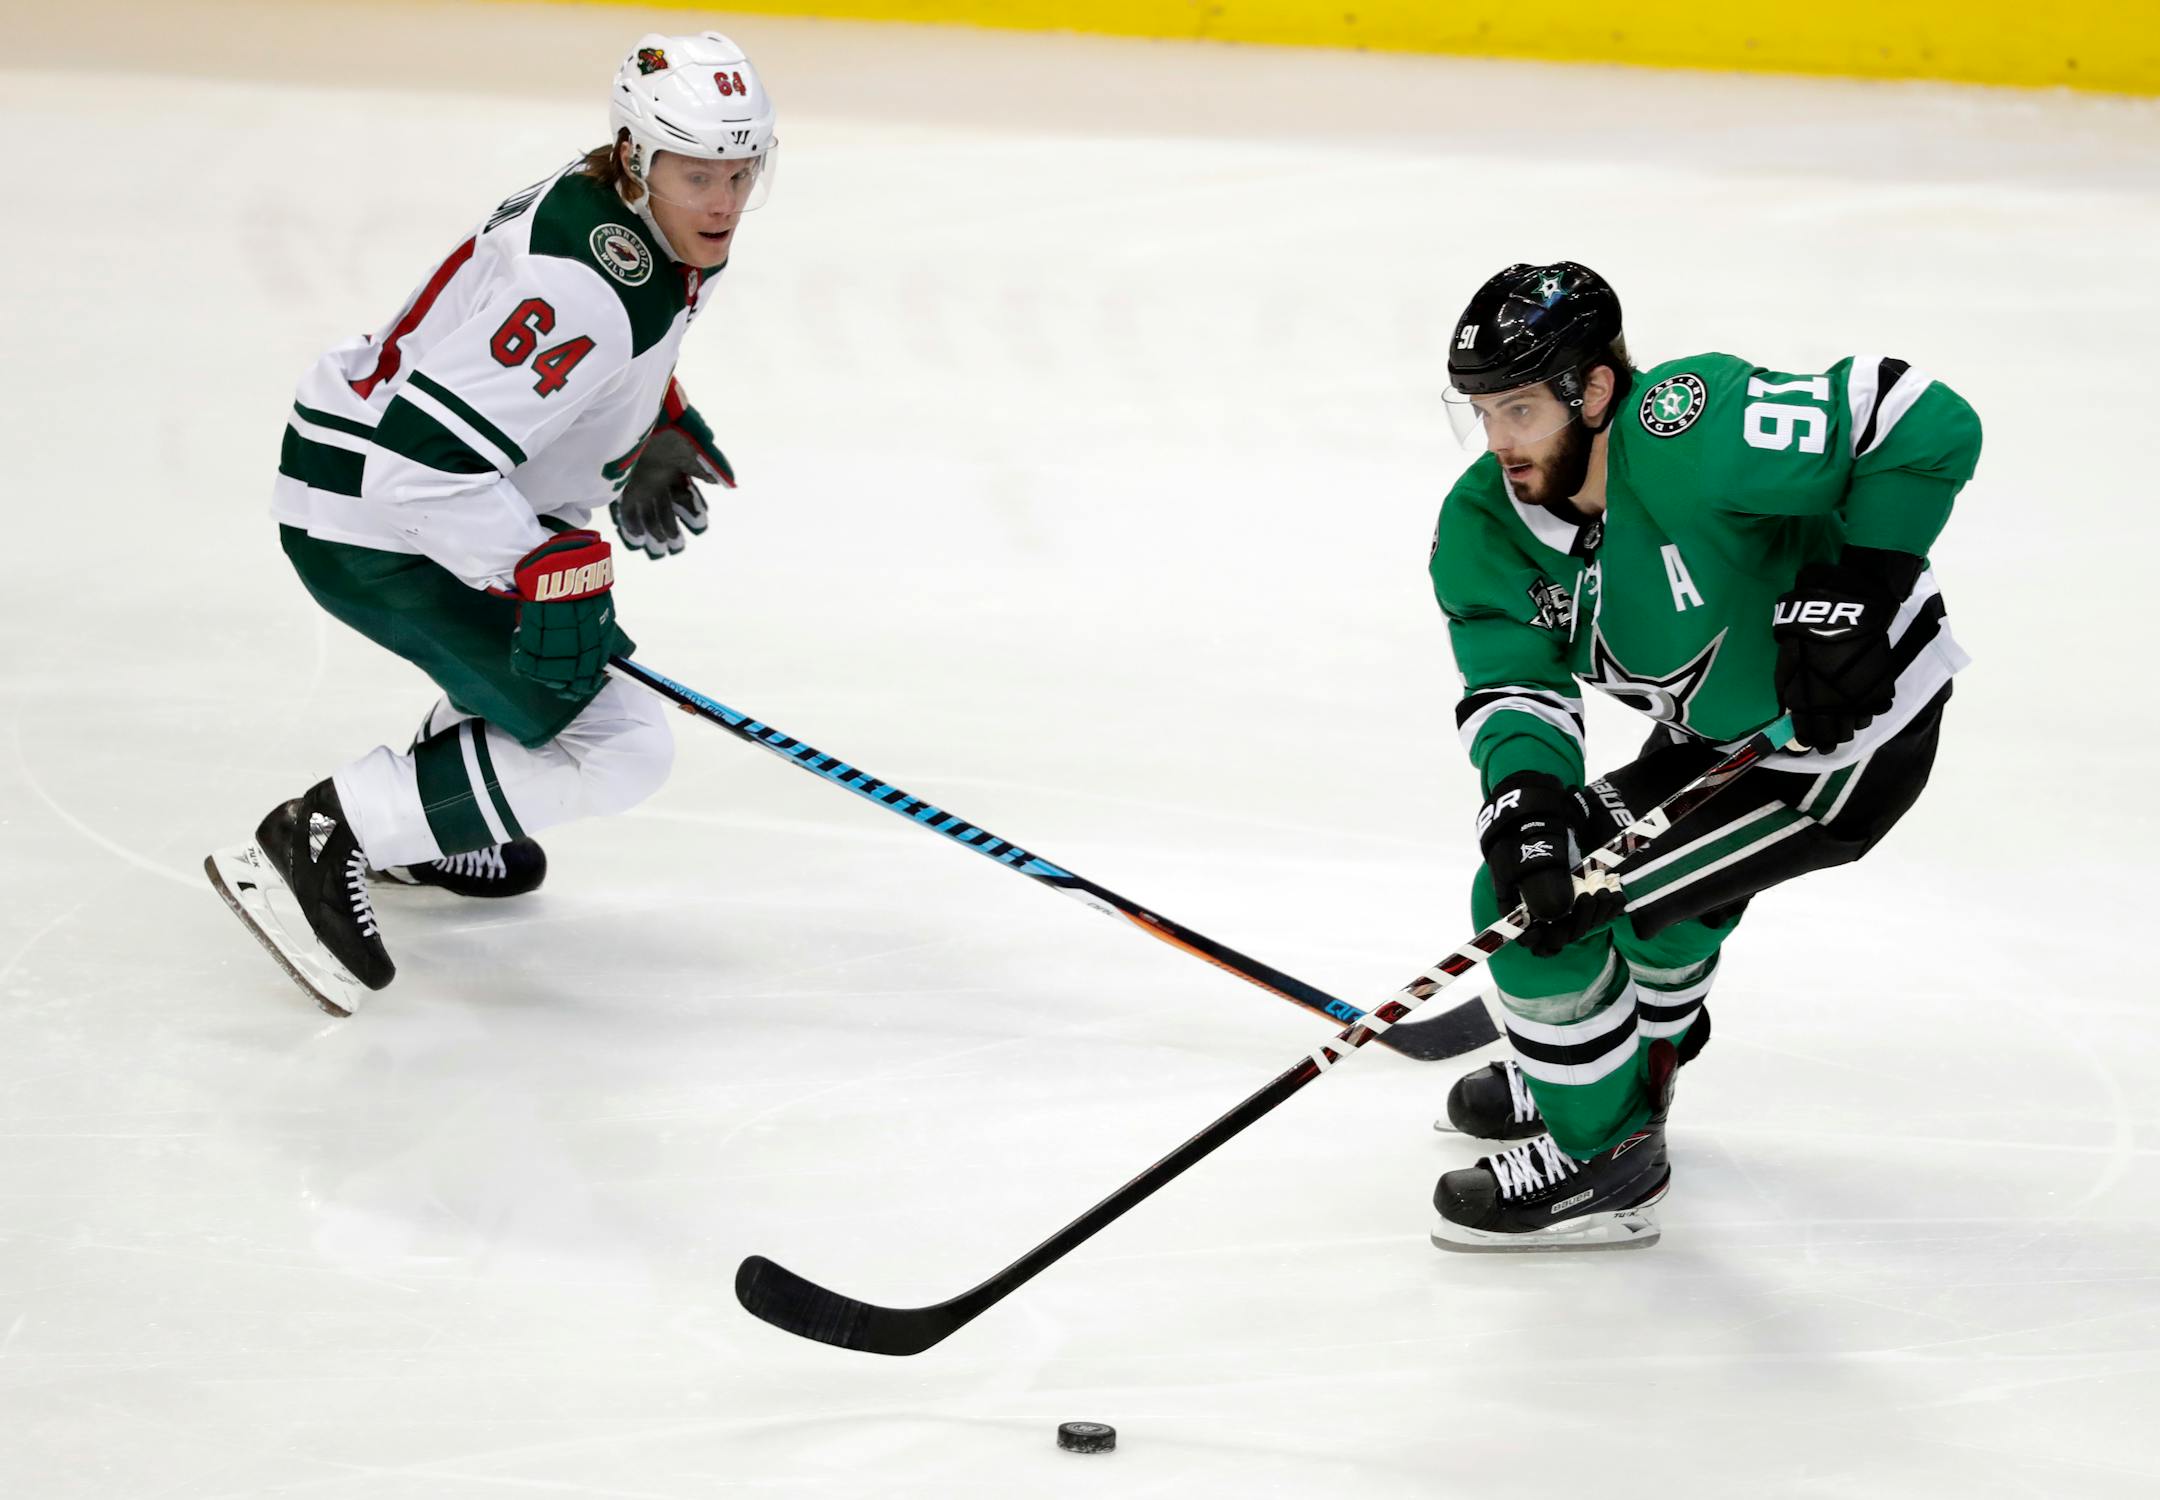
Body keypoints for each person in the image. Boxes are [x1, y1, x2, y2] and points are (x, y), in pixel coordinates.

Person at [206, 32, 774, 1016]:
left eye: (740, 170)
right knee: (623, 742)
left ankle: (435, 827)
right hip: (371, 525)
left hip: (422, 500)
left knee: (558, 678)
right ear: (637, 159)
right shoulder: (585, 288)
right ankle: (320, 836)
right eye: (698, 173)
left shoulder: (649, 227)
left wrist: (652, 419)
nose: (723, 199)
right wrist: (540, 570)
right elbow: (414, 473)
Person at [1424, 262, 1979, 1250]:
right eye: (1481, 412)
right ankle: (1607, 1063)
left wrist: (1862, 585)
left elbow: (1917, 416)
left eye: (1518, 408)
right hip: (1715, 737)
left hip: (1844, 747)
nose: (1498, 442)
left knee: (1533, 918)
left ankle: (1606, 1156)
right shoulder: (1483, 524)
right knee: (1550, 873)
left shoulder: (1688, 428)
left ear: (1593, 391)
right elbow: (1514, 682)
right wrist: (1526, 795)